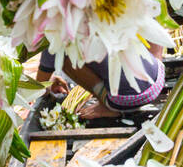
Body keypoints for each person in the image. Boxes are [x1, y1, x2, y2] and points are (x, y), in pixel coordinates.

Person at [35, 41, 166, 120]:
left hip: (127, 99)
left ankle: (108, 108)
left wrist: (47, 84)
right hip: (158, 76)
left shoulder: (56, 32)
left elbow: (40, 86)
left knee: (63, 59)